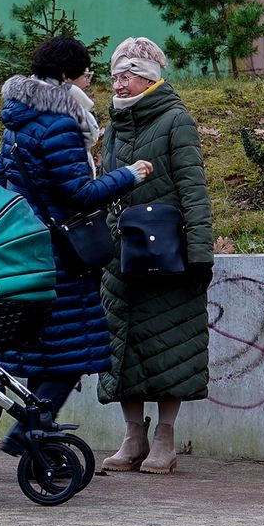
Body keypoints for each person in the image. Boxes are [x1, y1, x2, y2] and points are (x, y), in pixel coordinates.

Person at [0, 37, 152, 453]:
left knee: (39, 346)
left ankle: (32, 429)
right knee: (74, 349)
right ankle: (30, 432)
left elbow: (0, 182)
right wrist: (129, 176)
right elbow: (78, 193)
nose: (89, 79)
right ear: (66, 76)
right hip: (60, 254)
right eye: (85, 72)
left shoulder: (19, 119)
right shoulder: (60, 123)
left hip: (25, 249)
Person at [98, 37, 214, 475]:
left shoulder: (175, 120)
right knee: (121, 347)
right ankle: (133, 436)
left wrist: (200, 252)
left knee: (173, 346)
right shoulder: (112, 125)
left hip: (169, 255)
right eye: (114, 76)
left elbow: (193, 189)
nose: (118, 83)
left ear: (148, 77)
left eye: (126, 76)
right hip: (120, 255)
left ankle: (165, 437)